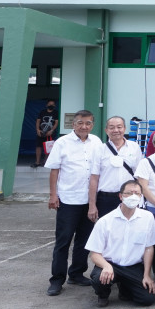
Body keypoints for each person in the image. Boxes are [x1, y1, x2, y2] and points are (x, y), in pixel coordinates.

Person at [45, 109, 102, 296]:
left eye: (88, 123)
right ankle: (56, 280)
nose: (84, 126)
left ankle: (76, 274)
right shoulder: (62, 143)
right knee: (63, 241)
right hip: (68, 199)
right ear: (73, 124)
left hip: (90, 200)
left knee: (84, 241)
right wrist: (53, 195)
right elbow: (54, 170)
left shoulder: (97, 142)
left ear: (92, 124)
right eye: (80, 123)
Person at [85, 180, 155, 307]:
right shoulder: (105, 221)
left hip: (133, 266)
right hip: (111, 264)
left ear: (141, 197)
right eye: (129, 193)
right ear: (120, 196)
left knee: (147, 299)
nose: (133, 196)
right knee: (99, 279)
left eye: (137, 194)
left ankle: (124, 288)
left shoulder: (148, 218)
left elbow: (148, 248)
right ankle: (103, 294)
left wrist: (147, 275)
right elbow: (95, 254)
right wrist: (106, 266)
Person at [89, 116, 143, 221]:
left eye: (119, 127)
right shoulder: (99, 149)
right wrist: (92, 205)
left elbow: (139, 176)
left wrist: (139, 198)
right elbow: (94, 178)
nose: (116, 130)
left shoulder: (134, 147)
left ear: (125, 128)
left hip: (129, 196)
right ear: (106, 130)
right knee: (107, 231)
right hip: (105, 198)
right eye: (112, 127)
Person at [34, 99, 58, 168]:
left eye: (53, 104)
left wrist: (52, 130)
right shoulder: (42, 112)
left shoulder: (55, 112)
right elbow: (38, 121)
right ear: (47, 105)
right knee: (38, 146)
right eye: (50, 104)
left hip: (50, 133)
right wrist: (38, 130)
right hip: (41, 132)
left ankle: (45, 162)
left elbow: (56, 123)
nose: (51, 105)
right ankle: (37, 162)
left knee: (48, 147)